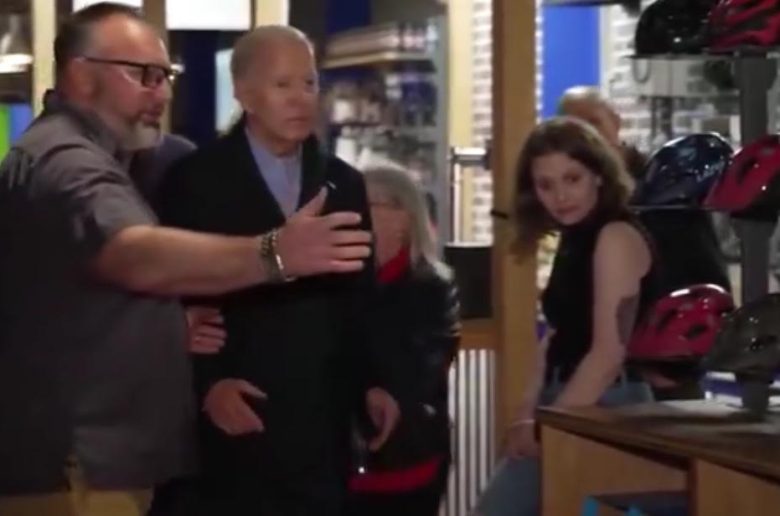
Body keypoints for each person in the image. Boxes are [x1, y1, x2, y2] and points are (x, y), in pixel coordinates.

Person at [0, 4, 373, 516]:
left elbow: (81, 303)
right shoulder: (67, 162)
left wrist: (171, 326)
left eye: (166, 76)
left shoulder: (115, 158)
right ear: (82, 76)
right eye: (145, 76)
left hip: (99, 460)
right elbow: (131, 253)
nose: (163, 94)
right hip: (77, 463)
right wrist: (274, 253)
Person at [157, 26, 400, 516]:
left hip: (323, 421)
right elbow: (172, 295)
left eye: (309, 84)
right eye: (282, 84)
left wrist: (373, 383)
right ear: (245, 93)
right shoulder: (194, 180)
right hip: (236, 415)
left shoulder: (345, 182)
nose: (300, 99)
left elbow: (360, 299)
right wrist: (208, 385)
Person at [474, 117, 658, 516]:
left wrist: (547, 426)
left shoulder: (614, 236)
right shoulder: (575, 236)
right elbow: (557, 336)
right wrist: (527, 412)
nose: (560, 196)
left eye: (572, 179)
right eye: (545, 185)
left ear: (598, 175)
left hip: (607, 404)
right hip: (566, 400)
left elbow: (608, 355)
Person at [558, 85, 730, 400]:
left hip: (660, 376)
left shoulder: (664, 187)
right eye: (575, 128)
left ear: (615, 121)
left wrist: (670, 361)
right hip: (591, 377)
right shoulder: (578, 201)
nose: (587, 137)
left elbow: (704, 274)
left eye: (593, 122)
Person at [345, 167, 459, 516]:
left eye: (369, 204)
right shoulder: (339, 281)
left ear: (404, 218)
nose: (355, 213)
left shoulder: (432, 286)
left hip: (406, 452)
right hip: (342, 457)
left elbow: (421, 366)